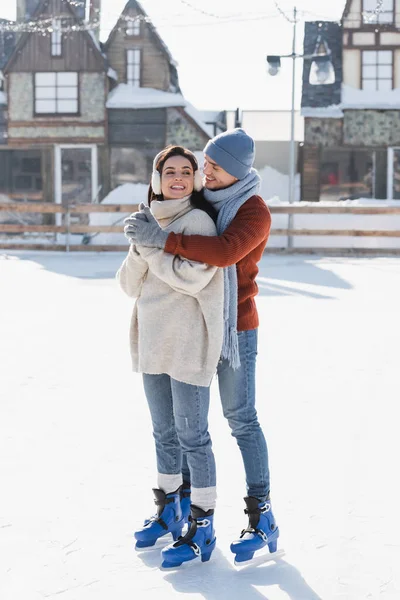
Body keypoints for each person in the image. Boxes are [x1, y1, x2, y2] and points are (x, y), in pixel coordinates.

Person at [124, 128, 280, 564]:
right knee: (183, 424)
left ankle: (261, 513)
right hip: (190, 327)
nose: (204, 172)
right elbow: (166, 196)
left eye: (214, 166)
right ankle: (178, 507)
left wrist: (162, 241)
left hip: (235, 329)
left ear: (235, 171)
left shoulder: (254, 211)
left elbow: (225, 250)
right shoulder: (204, 198)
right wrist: (152, 219)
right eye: (205, 165)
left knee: (240, 419)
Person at [118, 145, 224, 568]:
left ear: (196, 179)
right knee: (164, 433)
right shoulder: (150, 220)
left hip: (188, 343)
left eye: (186, 171)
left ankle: (203, 520)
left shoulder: (198, 221)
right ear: (157, 178)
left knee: (193, 437)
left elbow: (192, 278)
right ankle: (169, 508)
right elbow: (128, 285)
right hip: (153, 342)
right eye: (169, 171)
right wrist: (141, 246)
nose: (177, 178)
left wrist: (152, 248)